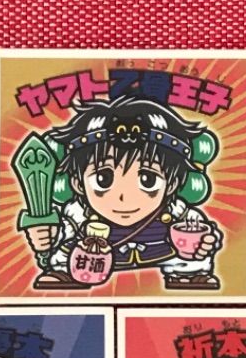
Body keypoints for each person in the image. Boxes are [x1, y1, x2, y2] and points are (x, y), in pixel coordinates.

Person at [29, 95, 221, 290]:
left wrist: (205, 243)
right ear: (77, 183)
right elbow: (61, 236)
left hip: (164, 256)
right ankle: (66, 272)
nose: (124, 197)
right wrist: (46, 239)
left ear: (171, 184)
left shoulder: (175, 211)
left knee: (188, 260)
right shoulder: (78, 213)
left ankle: (187, 274)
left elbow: (199, 229)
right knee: (66, 254)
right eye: (103, 179)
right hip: (91, 264)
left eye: (148, 180)